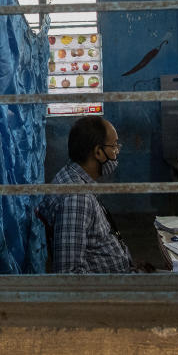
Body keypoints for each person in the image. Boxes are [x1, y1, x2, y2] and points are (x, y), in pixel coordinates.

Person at [38, 116, 136, 273]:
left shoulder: (75, 176)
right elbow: (69, 273)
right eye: (114, 146)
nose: (117, 152)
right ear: (98, 152)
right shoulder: (77, 197)